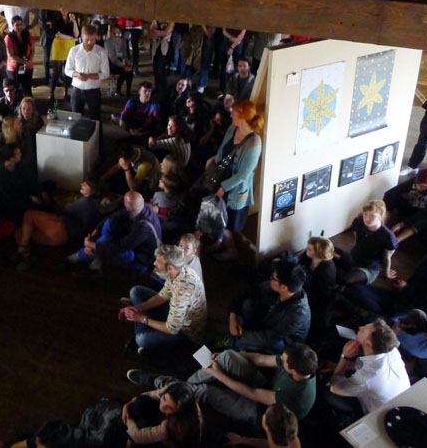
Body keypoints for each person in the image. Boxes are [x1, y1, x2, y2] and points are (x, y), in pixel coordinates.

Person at [130, 343, 317, 430]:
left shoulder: (295, 395)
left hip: (261, 411)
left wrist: (218, 374)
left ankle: (163, 384)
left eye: (283, 360)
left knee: (205, 391)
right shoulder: (297, 362)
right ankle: (176, 389)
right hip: (266, 385)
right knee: (226, 356)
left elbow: (252, 393)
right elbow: (260, 359)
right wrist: (223, 357)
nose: (280, 359)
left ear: (293, 371)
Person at [120, 245, 207, 354]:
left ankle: (144, 334)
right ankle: (147, 326)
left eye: (158, 262)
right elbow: (164, 294)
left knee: (141, 340)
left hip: (183, 332)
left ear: (170, 267)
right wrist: (138, 308)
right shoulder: (178, 271)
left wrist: (142, 319)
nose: (154, 263)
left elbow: (171, 329)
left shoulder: (182, 293)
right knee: (135, 291)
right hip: (175, 312)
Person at [208, 100, 263, 261]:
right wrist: (214, 164)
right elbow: (222, 149)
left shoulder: (254, 142)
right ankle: (221, 242)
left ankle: (231, 249)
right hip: (221, 178)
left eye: (234, 113)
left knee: (229, 220)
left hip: (234, 188)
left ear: (243, 117)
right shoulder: (233, 128)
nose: (231, 115)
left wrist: (223, 188)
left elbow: (243, 175)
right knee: (219, 215)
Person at [345, 251, 427, 319]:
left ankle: (377, 316)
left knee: (390, 321)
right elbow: (413, 280)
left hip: (414, 312)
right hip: (402, 296)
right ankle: (376, 315)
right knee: (356, 290)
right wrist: (405, 286)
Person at [328, 319, 410, 417]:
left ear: (368, 344)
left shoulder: (367, 378)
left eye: (363, 330)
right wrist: (337, 366)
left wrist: (345, 358)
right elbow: (366, 364)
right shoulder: (393, 351)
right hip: (402, 399)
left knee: (328, 393)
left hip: (380, 414)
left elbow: (335, 388)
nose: (360, 327)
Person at [69, 191, 161, 276]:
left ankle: (81, 256)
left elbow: (119, 247)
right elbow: (113, 216)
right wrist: (94, 234)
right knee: (110, 222)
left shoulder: (143, 228)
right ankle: (97, 260)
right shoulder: (140, 207)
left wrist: (92, 246)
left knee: (108, 245)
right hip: (130, 244)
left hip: (139, 259)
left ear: (128, 208)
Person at [225, 261, 310, 354]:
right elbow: (245, 292)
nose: (270, 278)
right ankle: (234, 343)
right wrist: (233, 317)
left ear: (283, 287)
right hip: (271, 323)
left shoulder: (297, 314)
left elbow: (270, 338)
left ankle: (234, 345)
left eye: (273, 277)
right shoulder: (282, 289)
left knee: (249, 341)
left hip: (285, 342)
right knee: (247, 305)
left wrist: (239, 335)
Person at [15, 179, 100, 270]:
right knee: (21, 232)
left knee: (29, 214)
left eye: (86, 184)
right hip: (61, 239)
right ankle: (26, 259)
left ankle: (23, 248)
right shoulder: (91, 203)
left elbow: (66, 211)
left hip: (61, 226)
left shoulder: (88, 202)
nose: (82, 184)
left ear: (93, 190)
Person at [65, 24, 110, 145]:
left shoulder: (101, 52)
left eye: (93, 39)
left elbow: (105, 73)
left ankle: (97, 145)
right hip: (77, 90)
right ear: (81, 37)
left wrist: (89, 76)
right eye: (87, 39)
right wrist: (77, 74)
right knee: (75, 119)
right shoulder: (74, 51)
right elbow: (67, 70)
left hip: (93, 91)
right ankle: (76, 144)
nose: (90, 42)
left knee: (96, 119)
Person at [120, 382, 203, 447]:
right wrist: (127, 405)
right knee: (141, 401)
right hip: (164, 417)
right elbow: (148, 394)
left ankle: (129, 440)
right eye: (164, 399)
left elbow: (138, 436)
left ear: (178, 412)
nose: (162, 406)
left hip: (170, 439)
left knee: (144, 424)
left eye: (170, 408)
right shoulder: (173, 392)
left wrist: (128, 419)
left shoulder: (175, 426)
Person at [340, 200, 398, 286]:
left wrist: (386, 273)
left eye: (372, 216)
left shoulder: (388, 236)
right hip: (354, 258)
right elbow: (356, 241)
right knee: (328, 252)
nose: (367, 218)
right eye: (365, 214)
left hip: (369, 268)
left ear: (381, 217)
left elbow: (387, 257)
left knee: (346, 280)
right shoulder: (358, 222)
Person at [383, 167, 427, 243]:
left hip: (425, 214)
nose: (418, 188)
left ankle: (396, 240)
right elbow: (392, 193)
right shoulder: (414, 181)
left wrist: (402, 224)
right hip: (412, 207)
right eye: (417, 185)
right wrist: (388, 211)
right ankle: (382, 226)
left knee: (425, 220)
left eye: (423, 186)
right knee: (392, 196)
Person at [0, 143, 46, 224]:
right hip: (15, 203)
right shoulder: (0, 174)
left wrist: (41, 191)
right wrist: (29, 198)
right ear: (11, 158)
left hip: (26, 193)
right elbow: (8, 196)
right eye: (18, 154)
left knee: (48, 186)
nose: (21, 154)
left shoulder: (20, 165)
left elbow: (31, 179)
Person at [298, 237, 338, 342]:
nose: (306, 250)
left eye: (309, 249)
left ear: (319, 253)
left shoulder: (326, 270)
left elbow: (322, 295)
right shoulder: (308, 257)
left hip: (318, 302)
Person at [224, 404, 300, 448]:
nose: (263, 415)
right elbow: (270, 444)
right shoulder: (291, 435)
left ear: (266, 426)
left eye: (265, 415)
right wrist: (243, 440)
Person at [47, 8, 79, 103]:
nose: (64, 10)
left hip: (69, 45)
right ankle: (51, 93)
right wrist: (70, 38)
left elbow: (76, 34)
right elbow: (57, 34)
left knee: (68, 70)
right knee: (56, 71)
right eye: (62, 9)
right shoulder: (55, 17)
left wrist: (74, 22)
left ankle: (66, 92)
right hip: (59, 44)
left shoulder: (72, 17)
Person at [4, 15, 36, 97]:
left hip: (28, 65)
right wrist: (25, 62)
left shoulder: (27, 34)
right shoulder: (9, 38)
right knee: (15, 88)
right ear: (12, 25)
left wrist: (29, 60)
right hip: (14, 67)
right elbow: (11, 55)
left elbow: (33, 49)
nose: (19, 27)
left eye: (21, 24)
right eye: (17, 25)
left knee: (27, 87)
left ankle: (29, 102)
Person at [105, 23, 134, 97]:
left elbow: (125, 54)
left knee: (130, 70)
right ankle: (118, 90)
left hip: (120, 60)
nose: (116, 34)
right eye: (114, 33)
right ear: (111, 33)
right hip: (110, 62)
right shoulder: (108, 42)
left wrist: (128, 63)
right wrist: (123, 65)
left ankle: (128, 90)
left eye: (118, 33)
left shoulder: (123, 41)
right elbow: (112, 57)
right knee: (124, 70)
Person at [149, 20, 174, 96]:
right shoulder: (156, 20)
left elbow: (166, 33)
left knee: (161, 69)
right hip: (156, 46)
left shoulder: (171, 21)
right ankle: (157, 87)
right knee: (155, 68)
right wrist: (158, 33)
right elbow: (151, 33)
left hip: (165, 47)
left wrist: (155, 31)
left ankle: (163, 89)